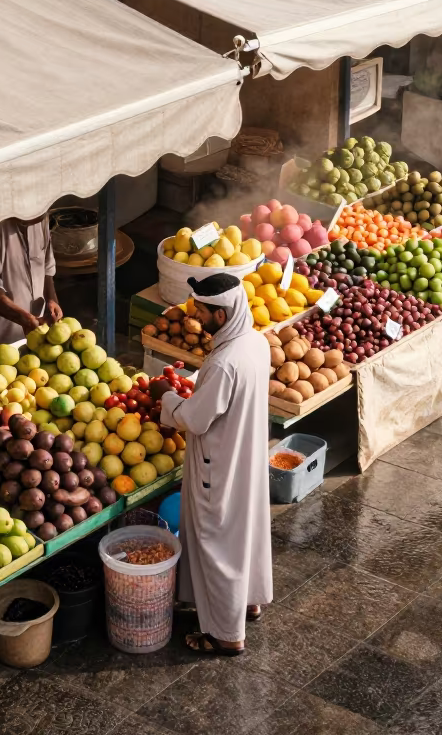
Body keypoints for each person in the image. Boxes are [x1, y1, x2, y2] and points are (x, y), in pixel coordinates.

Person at [159, 272, 273, 656]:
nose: (195, 319)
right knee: (247, 533)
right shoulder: (255, 343)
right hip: (246, 458)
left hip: (218, 467)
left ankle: (226, 635)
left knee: (217, 544)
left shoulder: (225, 363)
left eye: (202, 312)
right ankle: (249, 601)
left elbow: (194, 419)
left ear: (221, 316)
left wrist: (167, 397)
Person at [0, 216, 62, 345]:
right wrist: (25, 319)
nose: (38, 215)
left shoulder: (41, 219)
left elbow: (47, 268)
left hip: (36, 329)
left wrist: (52, 299)